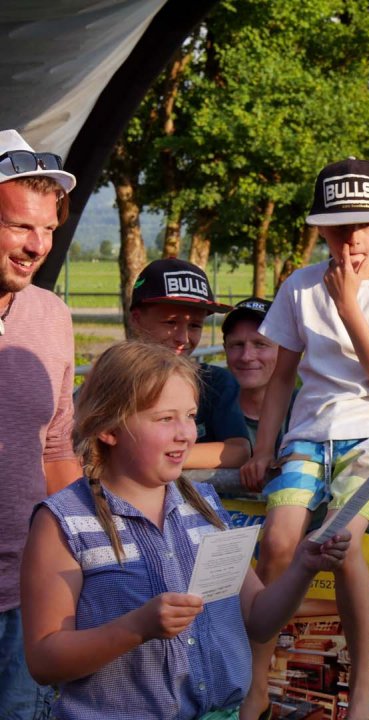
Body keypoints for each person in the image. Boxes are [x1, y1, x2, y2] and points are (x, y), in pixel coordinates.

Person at [19, 341, 351, 720]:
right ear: (109, 428)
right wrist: (136, 628)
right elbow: (44, 660)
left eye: (191, 416)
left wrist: (303, 568)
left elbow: (258, 619)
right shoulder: (62, 521)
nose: (186, 434)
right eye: (165, 419)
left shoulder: (204, 505)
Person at [240, 158, 369, 720]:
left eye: (362, 225)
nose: (349, 238)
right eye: (336, 226)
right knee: (277, 544)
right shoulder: (298, 287)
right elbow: (281, 378)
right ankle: (257, 679)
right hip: (307, 438)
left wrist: (349, 305)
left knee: (338, 539)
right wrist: (261, 447)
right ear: (319, 229)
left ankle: (364, 684)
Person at [0, 128, 83, 718]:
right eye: (20, 226)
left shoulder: (52, 315)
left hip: (29, 601)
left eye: (49, 228)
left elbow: (57, 452)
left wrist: (78, 568)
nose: (37, 245)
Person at [129, 257, 251, 468]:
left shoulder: (215, 382)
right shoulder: (114, 380)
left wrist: (154, 457)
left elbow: (239, 451)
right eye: (170, 322)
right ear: (137, 319)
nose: (183, 338)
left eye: (195, 325)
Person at [222, 297, 296, 454]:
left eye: (260, 344)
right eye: (237, 345)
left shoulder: (305, 409)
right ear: (225, 349)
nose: (246, 356)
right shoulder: (208, 409)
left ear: (285, 349)